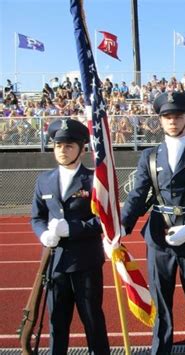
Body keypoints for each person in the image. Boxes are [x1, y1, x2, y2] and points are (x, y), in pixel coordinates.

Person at [121, 92, 185, 355]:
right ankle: (160, 350)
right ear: (160, 120)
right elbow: (138, 194)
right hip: (158, 237)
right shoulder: (150, 156)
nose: (172, 121)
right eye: (167, 116)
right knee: (161, 302)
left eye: (178, 115)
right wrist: (122, 225)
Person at [31, 118, 110, 355]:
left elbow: (105, 221)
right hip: (55, 264)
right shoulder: (44, 180)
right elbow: (37, 217)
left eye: (68, 146)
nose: (62, 151)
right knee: (57, 322)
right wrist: (43, 234)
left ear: (82, 149)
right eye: (58, 146)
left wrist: (74, 228)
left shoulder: (95, 180)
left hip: (86, 263)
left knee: (93, 321)